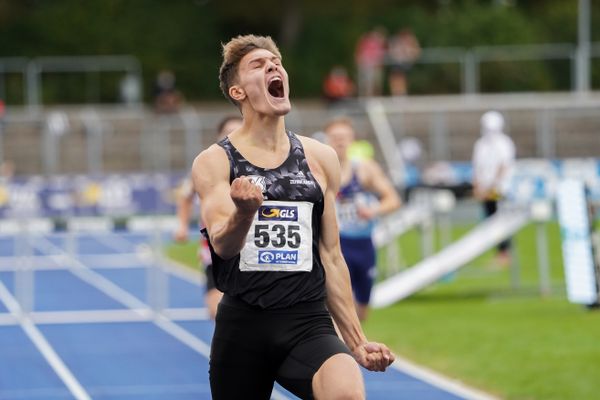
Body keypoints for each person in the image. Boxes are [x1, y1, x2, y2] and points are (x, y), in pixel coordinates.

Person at [192, 34, 394, 400]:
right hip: (243, 324)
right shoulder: (216, 161)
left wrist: (357, 341)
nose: (273, 66)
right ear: (237, 92)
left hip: (308, 321)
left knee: (346, 393)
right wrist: (244, 213)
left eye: (276, 62)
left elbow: (331, 256)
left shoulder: (320, 158)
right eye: (258, 64)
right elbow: (222, 244)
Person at [324, 118, 401, 321]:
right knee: (339, 301)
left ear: (352, 140)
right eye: (335, 138)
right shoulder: (319, 169)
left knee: (363, 306)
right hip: (335, 244)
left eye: (344, 137)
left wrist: (373, 209)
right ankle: (340, 346)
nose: (340, 142)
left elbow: (393, 199)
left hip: (363, 243)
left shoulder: (364, 168)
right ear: (327, 140)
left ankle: (354, 345)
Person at [173, 115, 243, 320]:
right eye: (228, 132)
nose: (233, 136)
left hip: (251, 250)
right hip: (215, 249)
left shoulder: (259, 165)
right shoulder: (207, 166)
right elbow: (185, 196)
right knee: (217, 312)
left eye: (238, 131)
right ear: (219, 136)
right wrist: (182, 226)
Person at [471, 110, 516, 265]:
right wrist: (478, 186)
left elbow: (503, 167)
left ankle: (504, 253)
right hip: (485, 191)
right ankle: (498, 251)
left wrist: (491, 186)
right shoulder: (480, 144)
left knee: (500, 220)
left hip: (499, 190)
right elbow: (477, 167)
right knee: (490, 218)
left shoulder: (504, 143)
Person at [387, 28, 421, 96]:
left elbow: (416, 52)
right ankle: (398, 93)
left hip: (404, 63)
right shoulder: (398, 41)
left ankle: (401, 93)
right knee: (396, 78)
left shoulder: (411, 40)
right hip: (398, 62)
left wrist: (410, 56)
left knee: (400, 78)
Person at [354, 27, 387, 97]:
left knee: (376, 83)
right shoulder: (367, 41)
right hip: (367, 65)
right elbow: (360, 53)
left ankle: (375, 98)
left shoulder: (381, 44)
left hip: (376, 66)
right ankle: (366, 97)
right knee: (367, 83)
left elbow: (381, 55)